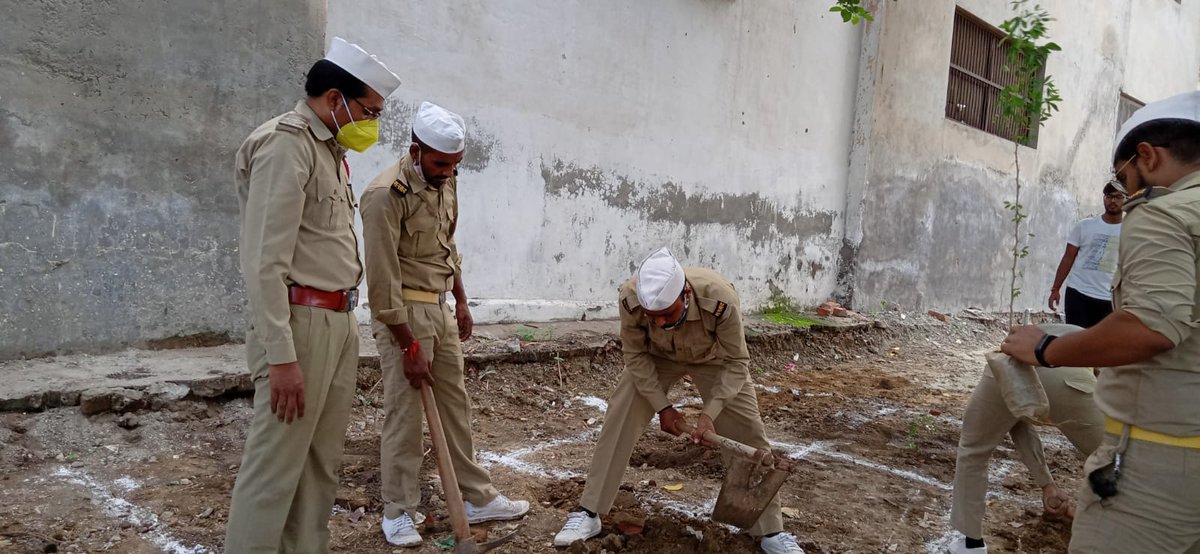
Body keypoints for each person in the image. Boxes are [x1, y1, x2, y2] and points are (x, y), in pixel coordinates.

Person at [1001, 91, 1200, 553]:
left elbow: (1150, 328)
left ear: (1146, 156)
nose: (1126, 194)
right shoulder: (1093, 225)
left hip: (1161, 463)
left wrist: (1045, 348)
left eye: (1125, 180)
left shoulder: (1162, 213)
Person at [225, 37, 401, 553]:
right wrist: (281, 357)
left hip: (336, 322)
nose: (371, 122)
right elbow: (264, 264)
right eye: (368, 110)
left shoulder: (329, 150)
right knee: (275, 466)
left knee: (320, 464)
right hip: (299, 325)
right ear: (333, 98)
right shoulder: (286, 145)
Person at [552, 247, 805, 554]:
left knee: (747, 430)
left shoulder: (720, 299)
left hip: (714, 359)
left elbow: (738, 362)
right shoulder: (630, 299)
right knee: (620, 412)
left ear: (685, 293)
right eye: (652, 317)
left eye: (667, 314)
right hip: (657, 358)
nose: (659, 323)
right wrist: (663, 407)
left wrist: (709, 414)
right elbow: (634, 355)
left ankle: (771, 532)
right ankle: (588, 512)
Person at [361, 101, 529, 547]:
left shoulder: (446, 181)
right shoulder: (384, 196)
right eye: (441, 164)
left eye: (456, 165)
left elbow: (447, 247)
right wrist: (407, 345)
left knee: (455, 405)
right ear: (416, 150)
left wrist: (460, 299)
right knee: (406, 414)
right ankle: (398, 510)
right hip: (404, 316)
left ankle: (476, 496)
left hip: (439, 308)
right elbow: (381, 281)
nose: (449, 173)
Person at [948, 324, 1104, 554]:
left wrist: (1047, 484)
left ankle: (970, 546)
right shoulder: (1099, 345)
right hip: (1069, 376)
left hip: (1006, 366)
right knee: (1119, 461)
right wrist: (1047, 485)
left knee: (974, 450)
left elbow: (1018, 418)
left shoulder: (1071, 334)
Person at [1047, 184, 1126, 327]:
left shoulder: (1130, 230)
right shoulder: (1084, 226)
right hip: (1078, 293)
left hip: (1109, 298)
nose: (1113, 201)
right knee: (1074, 339)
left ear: (1126, 199)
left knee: (1101, 345)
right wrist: (1055, 289)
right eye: (1109, 196)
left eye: (1118, 197)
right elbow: (1068, 258)